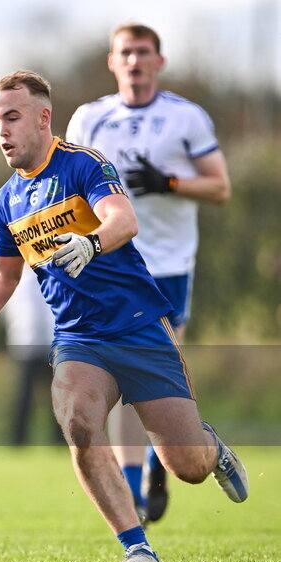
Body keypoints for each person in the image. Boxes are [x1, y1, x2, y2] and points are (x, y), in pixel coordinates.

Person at [0, 70, 247, 562]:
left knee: (188, 466)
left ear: (43, 118)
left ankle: (210, 448)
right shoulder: (7, 200)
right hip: (78, 339)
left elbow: (123, 219)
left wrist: (90, 243)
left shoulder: (83, 164)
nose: (2, 130)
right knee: (79, 425)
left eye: (12, 117)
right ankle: (137, 547)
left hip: (138, 326)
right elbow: (1, 277)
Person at [66, 23, 232, 524]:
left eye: (143, 52)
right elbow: (65, 188)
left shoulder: (185, 117)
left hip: (169, 264)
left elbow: (220, 187)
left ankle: (164, 464)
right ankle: (136, 484)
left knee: (160, 369)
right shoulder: (90, 119)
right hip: (112, 266)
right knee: (122, 369)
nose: (134, 61)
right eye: (126, 53)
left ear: (159, 61)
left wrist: (170, 183)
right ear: (112, 62)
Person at [0, 266, 60, 446]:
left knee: (57, 395)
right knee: (23, 396)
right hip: (25, 344)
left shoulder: (52, 277)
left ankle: (59, 439)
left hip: (51, 344)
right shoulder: (18, 281)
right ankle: (18, 439)